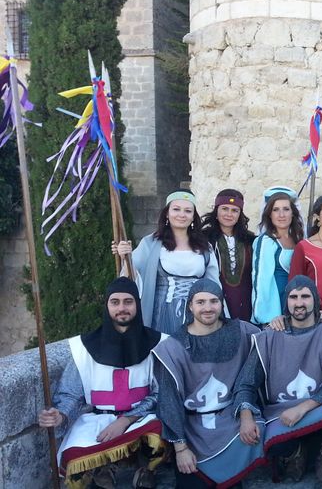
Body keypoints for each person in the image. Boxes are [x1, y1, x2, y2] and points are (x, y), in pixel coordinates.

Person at [37, 277, 165, 489]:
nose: (122, 308)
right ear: (106, 306)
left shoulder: (158, 344)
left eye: (128, 301)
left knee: (157, 431)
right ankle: (104, 467)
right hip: (97, 421)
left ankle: (145, 470)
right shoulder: (84, 347)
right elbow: (70, 394)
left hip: (140, 418)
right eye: (115, 302)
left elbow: (163, 394)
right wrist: (60, 415)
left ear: (137, 305)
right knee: (74, 461)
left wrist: (125, 420)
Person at [233, 275, 322, 485]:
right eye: (294, 297)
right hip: (281, 412)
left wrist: (302, 408)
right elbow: (246, 382)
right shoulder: (269, 335)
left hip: (318, 407)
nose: (299, 303)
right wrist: (245, 416)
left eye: (305, 296)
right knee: (269, 440)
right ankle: (294, 454)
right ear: (286, 301)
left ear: (316, 300)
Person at [152, 279, 264, 488]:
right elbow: (169, 401)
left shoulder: (241, 331)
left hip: (231, 422)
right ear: (190, 306)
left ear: (222, 305)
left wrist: (283, 321)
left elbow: (273, 342)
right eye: (201, 302)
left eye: (214, 301)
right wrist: (181, 449)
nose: (208, 308)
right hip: (192, 430)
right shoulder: (173, 347)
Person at [113, 189, 220, 334]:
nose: (182, 214)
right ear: (167, 214)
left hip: (198, 314)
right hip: (162, 313)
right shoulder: (150, 243)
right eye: (176, 209)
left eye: (188, 211)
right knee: (166, 352)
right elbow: (130, 278)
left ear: (193, 217)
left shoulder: (204, 246)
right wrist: (126, 256)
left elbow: (213, 284)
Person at [201, 189, 256, 322]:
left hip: (245, 304)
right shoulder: (203, 238)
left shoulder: (250, 240)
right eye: (225, 209)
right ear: (216, 211)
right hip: (213, 303)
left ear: (240, 214)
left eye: (234, 210)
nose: (229, 214)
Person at [252, 187, 304, 325]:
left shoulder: (299, 239)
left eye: (286, 209)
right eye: (276, 210)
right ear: (269, 214)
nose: (281, 214)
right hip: (276, 311)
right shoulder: (266, 241)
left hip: (298, 306)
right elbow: (262, 282)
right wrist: (270, 317)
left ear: (293, 213)